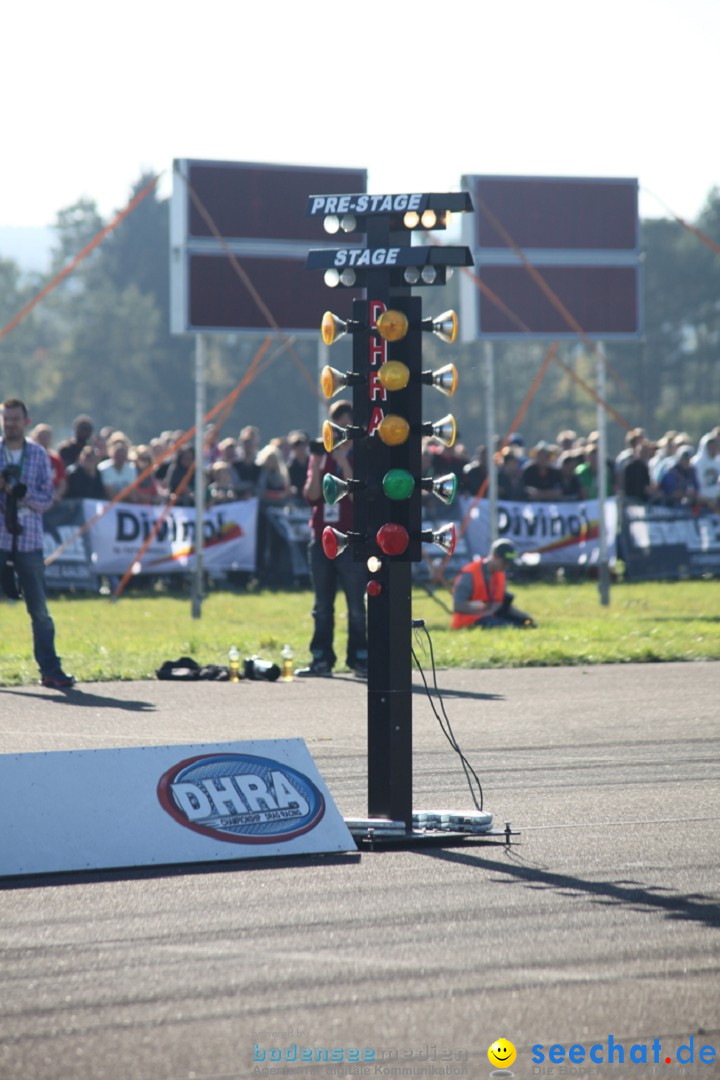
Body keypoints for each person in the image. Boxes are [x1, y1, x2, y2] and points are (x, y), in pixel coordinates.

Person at [0, 398, 75, 688]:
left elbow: (47, 500)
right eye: (6, 418)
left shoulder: (38, 454)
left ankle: (50, 669)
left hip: (29, 540)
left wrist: (21, 493)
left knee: (40, 611)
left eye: (15, 418)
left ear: (26, 421)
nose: (10, 423)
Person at [297, 400, 368, 677]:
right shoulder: (322, 453)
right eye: (337, 425)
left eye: (346, 425)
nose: (341, 431)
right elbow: (312, 496)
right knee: (322, 606)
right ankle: (321, 659)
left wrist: (342, 462)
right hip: (322, 537)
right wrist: (316, 464)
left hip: (350, 539)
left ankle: (360, 658)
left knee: (356, 606)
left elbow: (357, 497)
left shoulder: (360, 454)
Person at [451, 538, 535, 629]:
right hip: (469, 620)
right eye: (505, 562)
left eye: (509, 563)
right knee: (508, 626)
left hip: (490, 616)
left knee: (523, 624)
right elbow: (458, 606)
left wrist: (525, 617)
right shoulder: (469, 574)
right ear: (494, 556)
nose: (506, 566)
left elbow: (500, 605)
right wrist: (485, 612)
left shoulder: (500, 574)